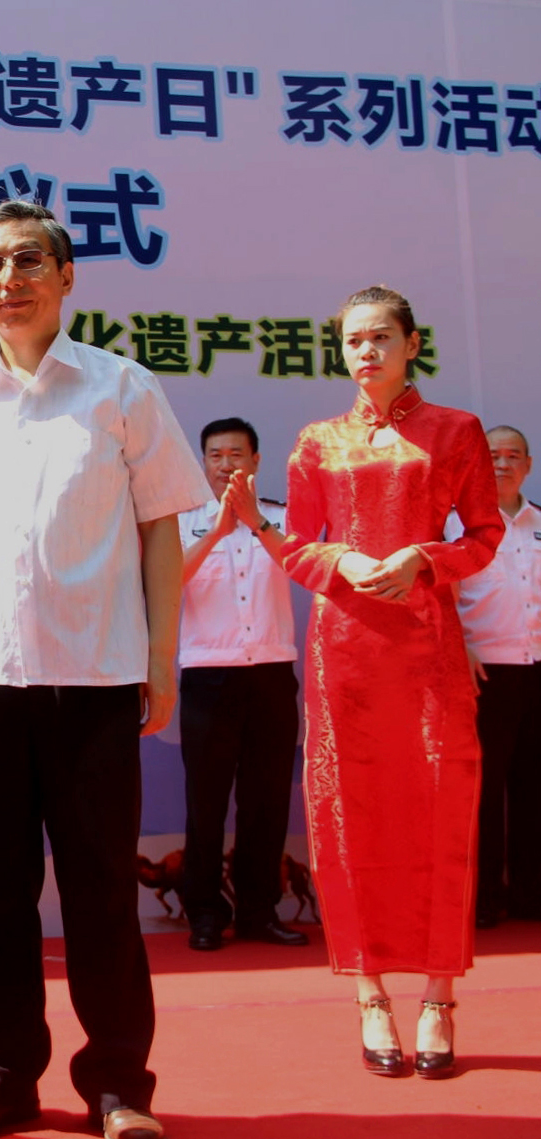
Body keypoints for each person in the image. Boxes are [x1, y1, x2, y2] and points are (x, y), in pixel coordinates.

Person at [0, 199, 208, 1139]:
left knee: (102, 889)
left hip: (93, 678)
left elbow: (159, 531)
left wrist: (159, 657)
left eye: (27, 260)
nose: (7, 280)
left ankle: (118, 1085)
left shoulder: (121, 388)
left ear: (66, 277)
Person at [265, 284, 501, 1080]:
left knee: (439, 809)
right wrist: (343, 560)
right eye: (353, 340)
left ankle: (438, 995)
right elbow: (296, 543)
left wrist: (423, 558)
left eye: (380, 337)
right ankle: (369, 992)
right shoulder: (318, 441)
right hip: (346, 651)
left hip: (428, 646)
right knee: (348, 815)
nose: (365, 351)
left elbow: (485, 534)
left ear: (411, 344)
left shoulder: (456, 431)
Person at [176, 417, 307, 951]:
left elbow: (304, 568)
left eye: (236, 454)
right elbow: (166, 581)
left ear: (255, 462)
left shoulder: (281, 518)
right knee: (205, 803)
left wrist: (254, 522)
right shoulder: (181, 521)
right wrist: (216, 531)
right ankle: (205, 913)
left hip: (272, 674)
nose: (226, 465)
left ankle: (259, 911)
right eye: (215, 455)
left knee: (267, 801)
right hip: (208, 677)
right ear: (202, 462)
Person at [448, 425, 540, 928]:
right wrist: (457, 645)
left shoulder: (539, 523)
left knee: (533, 788)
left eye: (512, 456)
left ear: (527, 465)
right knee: (482, 791)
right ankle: (483, 898)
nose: (502, 464)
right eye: (492, 456)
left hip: (536, 671)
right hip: (483, 673)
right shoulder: (454, 526)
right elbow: (436, 597)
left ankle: (530, 894)